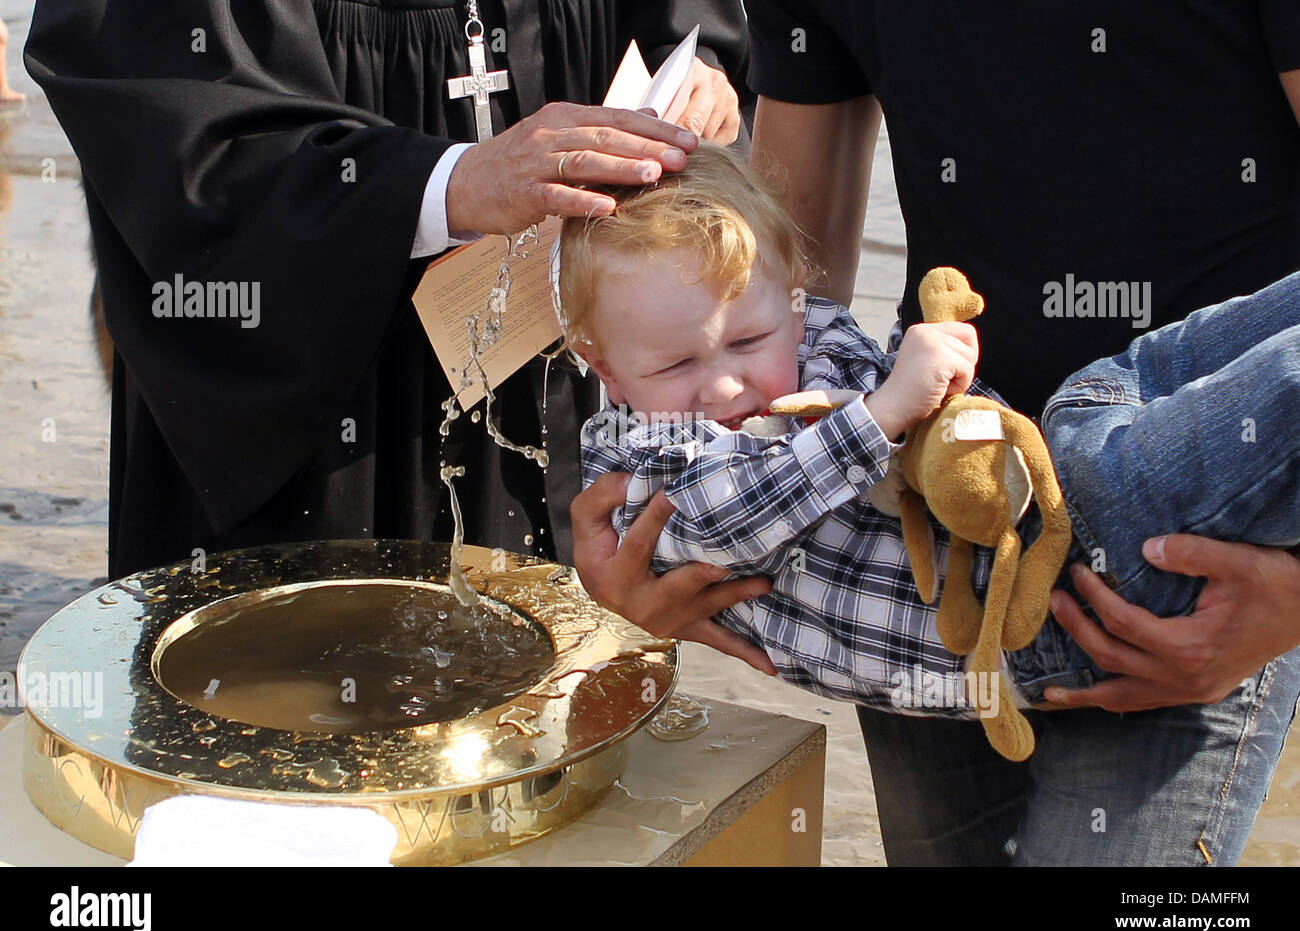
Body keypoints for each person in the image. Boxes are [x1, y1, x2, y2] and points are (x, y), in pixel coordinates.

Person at [569, 2, 1300, 864]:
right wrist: (658, 557)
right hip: (929, 535)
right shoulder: (714, 395)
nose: (727, 377)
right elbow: (788, 262)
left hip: (1182, 559)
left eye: (746, 346)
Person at [558, 142, 1300, 751]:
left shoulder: (805, 329)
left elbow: (885, 385)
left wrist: (943, 396)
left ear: (793, 295)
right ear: (608, 370)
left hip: (1056, 447)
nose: (723, 387)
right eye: (677, 366)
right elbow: (725, 513)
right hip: (1050, 607)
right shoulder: (639, 461)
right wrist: (882, 414)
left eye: (749, 340)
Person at [23, 0, 751, 580]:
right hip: (306, 380)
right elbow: (159, 99)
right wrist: (445, 185)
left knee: (543, 672)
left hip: (545, 334)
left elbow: (684, 22)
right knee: (300, 701)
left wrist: (697, 73)